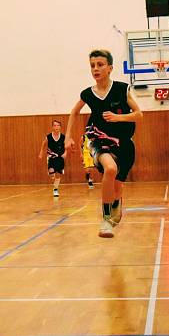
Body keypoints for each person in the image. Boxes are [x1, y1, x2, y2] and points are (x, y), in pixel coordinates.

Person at [64, 49, 142, 238]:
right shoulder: (88, 94)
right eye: (92, 65)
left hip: (123, 142)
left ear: (110, 68)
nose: (96, 69)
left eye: (100, 65)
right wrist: (68, 137)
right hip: (97, 138)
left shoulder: (121, 89)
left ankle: (116, 201)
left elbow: (139, 115)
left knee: (117, 185)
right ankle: (105, 219)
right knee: (110, 169)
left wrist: (118, 117)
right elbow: (74, 112)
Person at [38, 120, 66, 197]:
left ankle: (55, 189)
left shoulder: (63, 137)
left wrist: (66, 153)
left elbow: (67, 146)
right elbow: (43, 144)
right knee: (51, 174)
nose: (56, 127)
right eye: (55, 125)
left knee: (58, 174)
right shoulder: (49, 136)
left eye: (58, 125)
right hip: (51, 157)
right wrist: (41, 152)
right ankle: (51, 173)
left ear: (60, 127)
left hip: (60, 157)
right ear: (52, 127)